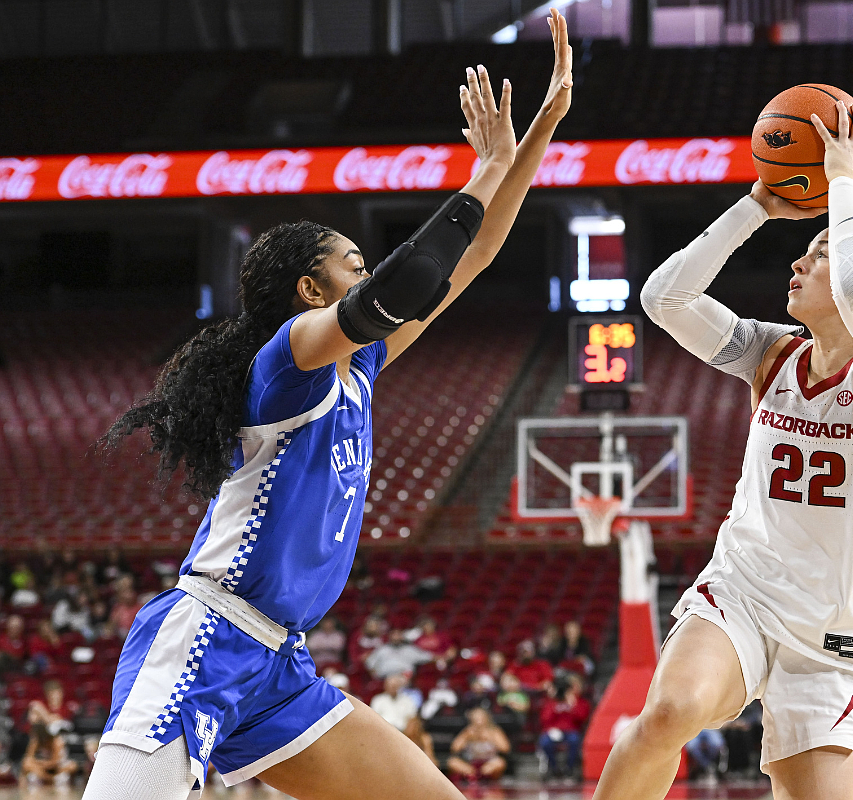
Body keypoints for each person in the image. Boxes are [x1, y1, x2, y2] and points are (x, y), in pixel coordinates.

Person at [82, 15, 574, 799]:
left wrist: (535, 137)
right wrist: (482, 171)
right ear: (312, 291)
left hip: (280, 667)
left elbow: (473, 255)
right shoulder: (289, 359)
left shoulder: (360, 367)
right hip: (207, 641)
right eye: (353, 263)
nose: (367, 270)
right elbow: (400, 288)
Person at [597, 101, 853, 800]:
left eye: (819, 253)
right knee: (668, 713)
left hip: (836, 632)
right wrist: (755, 205)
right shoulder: (771, 353)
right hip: (744, 592)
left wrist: (844, 180)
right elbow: (664, 298)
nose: (797, 261)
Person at [538, 676, 590, 780]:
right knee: (545, 742)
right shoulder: (551, 702)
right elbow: (544, 719)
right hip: (553, 731)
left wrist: (573, 704)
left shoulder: (581, 702)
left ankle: (569, 768)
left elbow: (581, 718)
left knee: (574, 740)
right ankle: (554, 768)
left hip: (571, 731)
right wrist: (554, 701)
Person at [446, 707, 510, 783]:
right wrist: (467, 737)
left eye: (480, 717)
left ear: (486, 718)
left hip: (489, 763)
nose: (478, 721)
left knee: (500, 763)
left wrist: (490, 738)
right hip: (470, 764)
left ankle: (483, 776)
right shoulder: (468, 731)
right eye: (475, 718)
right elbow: (454, 748)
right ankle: (473, 776)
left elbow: (505, 749)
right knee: (452, 762)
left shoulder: (494, 731)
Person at [20, 722, 77, 789]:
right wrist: (40, 765)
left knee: (72, 766)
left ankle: (49, 779)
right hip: (41, 769)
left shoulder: (57, 741)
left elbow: (56, 762)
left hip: (56, 768)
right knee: (26, 763)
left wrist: (44, 764)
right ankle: (47, 779)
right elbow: (29, 757)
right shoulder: (35, 742)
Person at [366, 628, 432, 680]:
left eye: (398, 635)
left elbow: (427, 657)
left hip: (405, 678)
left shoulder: (410, 649)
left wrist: (435, 657)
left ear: (402, 637)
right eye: (394, 635)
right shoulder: (382, 649)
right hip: (385, 678)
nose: (396, 637)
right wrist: (375, 675)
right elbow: (369, 663)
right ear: (389, 637)